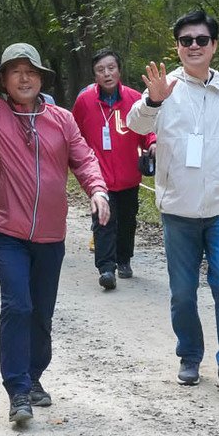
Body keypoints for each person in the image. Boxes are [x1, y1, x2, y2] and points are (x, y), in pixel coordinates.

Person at [0, 26, 110, 424]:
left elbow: (84, 158)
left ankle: (34, 377)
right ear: (3, 79)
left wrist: (98, 189)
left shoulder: (62, 119)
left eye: (31, 71)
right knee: (17, 305)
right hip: (7, 232)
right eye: (15, 71)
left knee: (41, 313)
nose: (24, 77)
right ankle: (17, 390)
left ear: (41, 79)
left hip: (51, 236)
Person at [127, 10, 219, 397]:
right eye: (186, 41)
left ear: (214, 45)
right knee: (183, 291)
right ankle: (189, 355)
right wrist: (152, 100)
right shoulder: (165, 89)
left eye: (201, 40)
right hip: (178, 210)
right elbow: (135, 125)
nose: (193, 46)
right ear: (178, 47)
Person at [72, 48, 155, 290]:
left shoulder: (134, 99)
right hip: (99, 178)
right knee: (103, 221)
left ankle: (124, 259)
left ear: (119, 70)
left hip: (129, 176)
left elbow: (147, 129)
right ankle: (106, 268)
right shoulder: (85, 102)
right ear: (94, 75)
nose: (107, 73)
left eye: (111, 68)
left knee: (128, 221)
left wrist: (152, 143)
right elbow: (74, 135)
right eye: (100, 70)